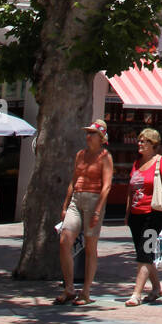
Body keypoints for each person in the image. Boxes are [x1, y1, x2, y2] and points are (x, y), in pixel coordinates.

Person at [56, 119, 114, 305]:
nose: (88, 136)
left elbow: (107, 186)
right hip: (77, 198)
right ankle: (69, 287)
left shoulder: (105, 157)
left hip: (94, 199)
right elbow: (73, 180)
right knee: (65, 240)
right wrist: (65, 205)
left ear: (101, 137)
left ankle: (86, 291)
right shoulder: (80, 155)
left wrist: (98, 210)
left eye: (92, 133)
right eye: (87, 133)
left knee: (90, 246)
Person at [125, 128, 162, 306]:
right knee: (143, 253)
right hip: (136, 215)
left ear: (153, 145)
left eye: (144, 141)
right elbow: (130, 189)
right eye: (139, 140)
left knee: (145, 253)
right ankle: (156, 288)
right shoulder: (137, 163)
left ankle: (136, 294)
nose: (140, 143)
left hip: (153, 214)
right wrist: (127, 212)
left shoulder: (161, 162)